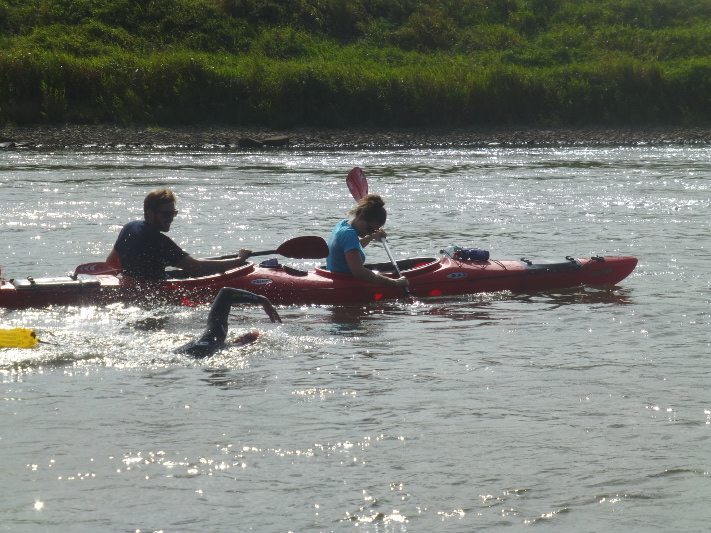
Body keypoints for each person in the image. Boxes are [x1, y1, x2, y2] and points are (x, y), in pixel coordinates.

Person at [107, 189, 251, 279]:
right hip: (157, 289)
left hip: (130, 283)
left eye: (173, 213)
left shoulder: (129, 227)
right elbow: (196, 267)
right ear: (150, 213)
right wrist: (239, 260)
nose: (171, 219)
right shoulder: (159, 242)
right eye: (166, 214)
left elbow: (111, 262)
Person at [326, 193, 409, 288]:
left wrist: (372, 237)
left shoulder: (343, 224)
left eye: (374, 230)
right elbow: (359, 272)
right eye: (370, 229)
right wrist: (393, 283)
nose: (370, 232)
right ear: (361, 217)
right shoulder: (349, 234)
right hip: (343, 283)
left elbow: (353, 248)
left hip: (336, 276)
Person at [174, 288, 281, 359]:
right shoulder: (224, 349)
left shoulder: (215, 336)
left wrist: (262, 300)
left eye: (248, 336)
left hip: (184, 353)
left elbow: (226, 293)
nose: (241, 337)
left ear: (242, 340)